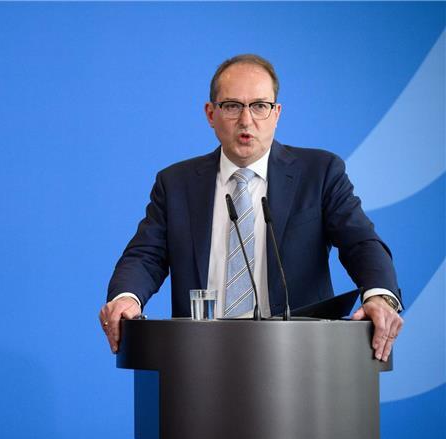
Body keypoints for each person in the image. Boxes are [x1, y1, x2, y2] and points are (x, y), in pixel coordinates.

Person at [99, 54, 402, 361]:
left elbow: (360, 242)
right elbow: (145, 255)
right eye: (232, 106)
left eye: (260, 106)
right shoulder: (176, 183)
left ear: (277, 113)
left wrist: (379, 295)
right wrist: (127, 298)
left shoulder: (320, 173)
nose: (247, 120)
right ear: (210, 113)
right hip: (199, 361)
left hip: (300, 360)